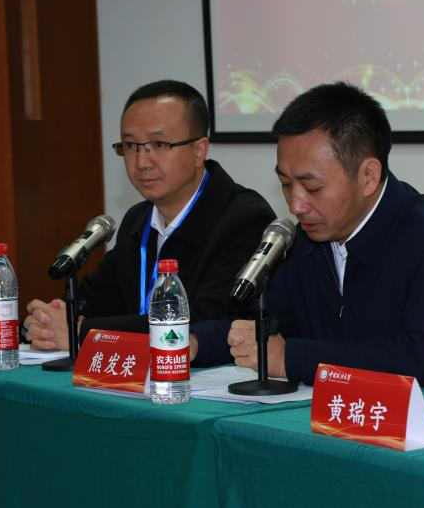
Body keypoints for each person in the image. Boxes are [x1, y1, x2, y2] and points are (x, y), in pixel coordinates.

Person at [191, 81, 424, 403]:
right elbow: (263, 329)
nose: (296, 205)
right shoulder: (306, 241)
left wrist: (291, 359)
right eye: (286, 184)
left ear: (368, 176)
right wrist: (193, 343)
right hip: (355, 418)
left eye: (312, 187)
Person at [24, 80, 275, 349]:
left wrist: (84, 331)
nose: (142, 162)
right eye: (131, 146)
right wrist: (47, 321)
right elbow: (95, 299)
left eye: (159, 144)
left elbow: (210, 322)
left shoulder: (244, 219)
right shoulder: (138, 219)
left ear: (199, 150)